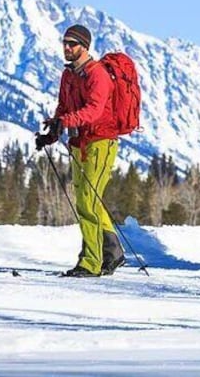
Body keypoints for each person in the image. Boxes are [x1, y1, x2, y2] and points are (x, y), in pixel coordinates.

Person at [35, 24, 125, 278]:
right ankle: (113, 252)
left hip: (100, 142)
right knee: (89, 200)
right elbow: (63, 108)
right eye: (64, 43)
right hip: (78, 144)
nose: (66, 48)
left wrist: (67, 122)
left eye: (72, 44)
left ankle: (91, 262)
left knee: (87, 201)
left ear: (84, 47)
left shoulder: (98, 75)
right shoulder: (69, 75)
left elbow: (94, 111)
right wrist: (51, 135)